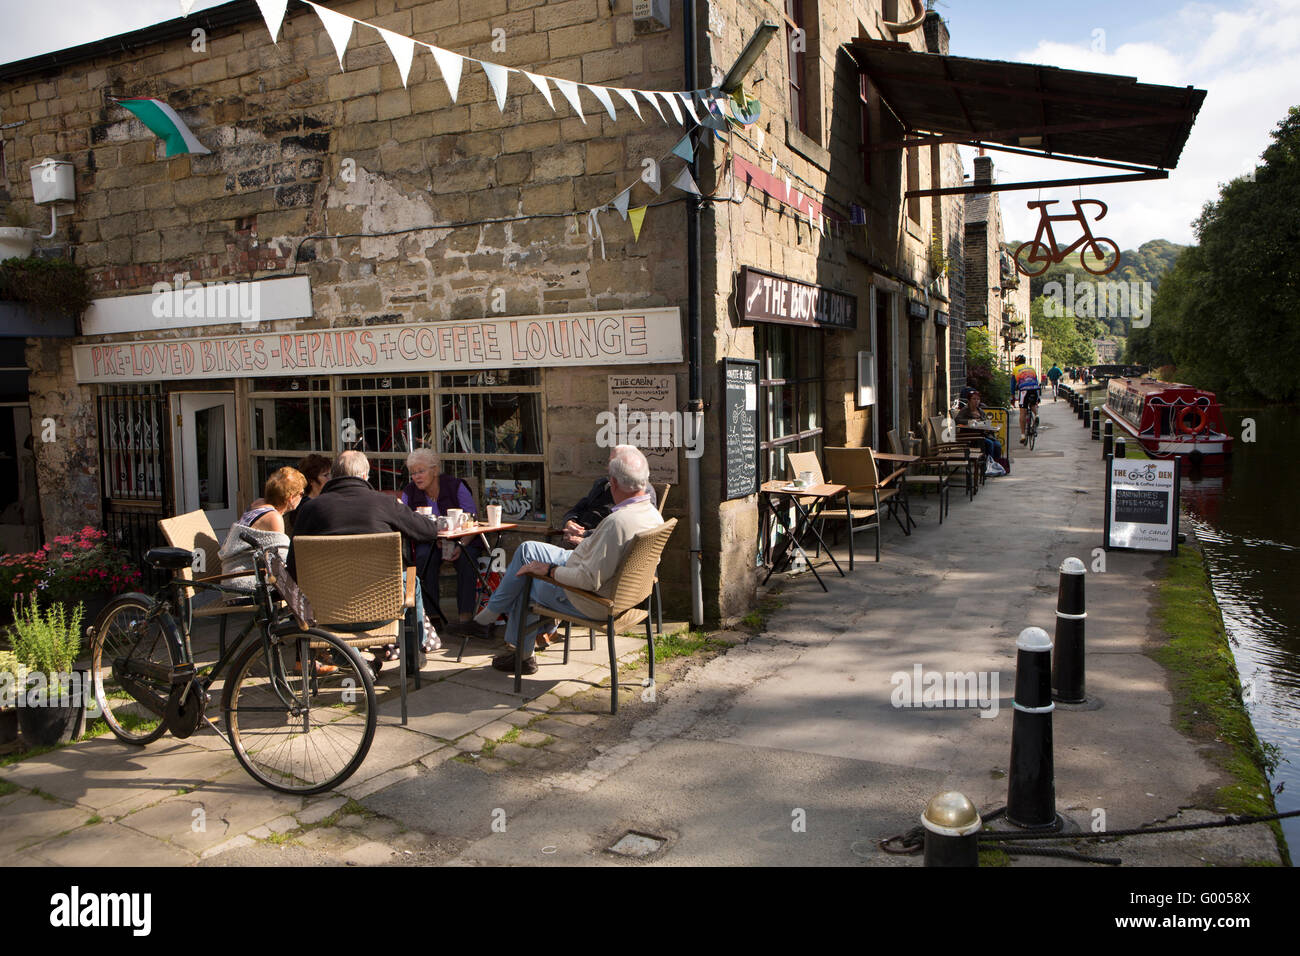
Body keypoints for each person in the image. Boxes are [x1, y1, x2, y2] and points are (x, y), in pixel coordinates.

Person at [474, 446, 663, 676]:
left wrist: (550, 570)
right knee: (527, 550)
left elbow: (587, 580)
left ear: (613, 483)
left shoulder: (618, 523)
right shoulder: (653, 516)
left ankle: (519, 653)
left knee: (525, 580)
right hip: (612, 584)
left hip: (593, 600)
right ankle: (496, 610)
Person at [289, 451, 441, 673]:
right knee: (412, 581)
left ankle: (351, 659)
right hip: (382, 610)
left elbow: (293, 566)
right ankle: (412, 657)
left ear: (334, 476)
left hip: (328, 615)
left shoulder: (310, 509)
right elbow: (428, 531)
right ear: (365, 476)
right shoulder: (385, 503)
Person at [217, 467, 326, 673]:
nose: (302, 498)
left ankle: (313, 650)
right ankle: (307, 657)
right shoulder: (273, 518)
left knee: (298, 593)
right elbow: (282, 563)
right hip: (244, 584)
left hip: (234, 580)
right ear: (290, 497)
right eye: (301, 494)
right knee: (305, 593)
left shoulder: (259, 507)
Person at [398, 448, 480, 631]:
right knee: (423, 557)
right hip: (427, 541)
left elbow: (472, 519)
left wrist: (461, 544)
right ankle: (431, 616)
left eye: (421, 471)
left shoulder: (456, 486)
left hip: (461, 540)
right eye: (413, 473)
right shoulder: (410, 492)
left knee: (468, 558)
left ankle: (465, 617)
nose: (416, 477)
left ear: (434, 470)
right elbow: (403, 519)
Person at [559, 451, 658, 547]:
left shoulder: (641, 494)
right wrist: (569, 523)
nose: (608, 467)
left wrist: (585, 535)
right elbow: (578, 508)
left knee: (543, 553)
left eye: (614, 463)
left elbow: (626, 531)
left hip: (591, 546)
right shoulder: (602, 483)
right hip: (576, 540)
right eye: (610, 461)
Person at [955, 390, 1002, 461]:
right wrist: (970, 421)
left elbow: (985, 422)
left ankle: (995, 465)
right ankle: (988, 465)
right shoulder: (965, 410)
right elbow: (957, 420)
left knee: (997, 445)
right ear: (969, 400)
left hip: (983, 434)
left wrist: (984, 423)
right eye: (974, 399)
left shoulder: (980, 411)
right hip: (972, 436)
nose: (976, 401)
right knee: (990, 444)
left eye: (978, 399)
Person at [1012, 354, 1041, 445]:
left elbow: (1012, 384)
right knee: (1032, 404)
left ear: (1016, 363)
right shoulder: (1031, 368)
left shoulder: (1015, 369)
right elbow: (1036, 380)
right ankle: (1036, 415)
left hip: (1024, 390)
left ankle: (1023, 435)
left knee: (1023, 412)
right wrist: (1038, 396)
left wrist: (1012, 396)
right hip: (1034, 389)